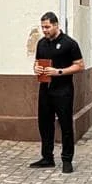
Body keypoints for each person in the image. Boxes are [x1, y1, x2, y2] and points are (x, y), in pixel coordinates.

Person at [29, 12, 83, 174]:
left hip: (63, 90)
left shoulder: (69, 44)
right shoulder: (41, 44)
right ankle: (47, 157)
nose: (44, 30)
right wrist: (36, 68)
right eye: (43, 27)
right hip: (45, 89)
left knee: (65, 124)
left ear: (56, 25)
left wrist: (59, 71)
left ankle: (67, 159)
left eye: (47, 27)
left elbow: (80, 66)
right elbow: (37, 63)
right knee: (45, 123)